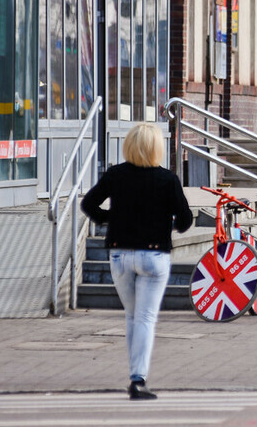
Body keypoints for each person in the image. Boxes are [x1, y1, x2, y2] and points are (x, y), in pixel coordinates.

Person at [81, 123, 193, 400]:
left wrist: (109, 219)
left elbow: (88, 204)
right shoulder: (167, 179)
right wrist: (172, 225)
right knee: (145, 317)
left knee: (132, 316)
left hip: (120, 254)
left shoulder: (116, 175)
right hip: (154, 256)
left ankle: (135, 374)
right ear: (157, 148)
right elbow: (186, 218)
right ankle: (138, 379)